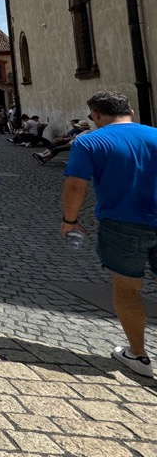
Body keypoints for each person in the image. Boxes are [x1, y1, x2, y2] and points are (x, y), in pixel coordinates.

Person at [61, 92, 157, 378]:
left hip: (122, 224)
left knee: (127, 289)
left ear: (96, 114)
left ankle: (138, 354)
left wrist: (70, 221)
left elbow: (75, 185)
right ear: (130, 111)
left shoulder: (89, 141)